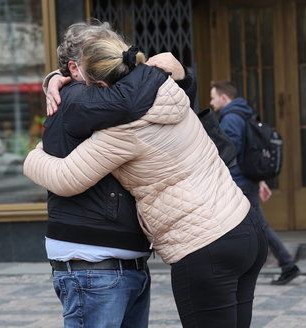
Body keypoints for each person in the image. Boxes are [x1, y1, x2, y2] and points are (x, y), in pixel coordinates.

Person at [24, 28, 268, 328]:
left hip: (205, 245)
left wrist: (34, 155)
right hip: (245, 227)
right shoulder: (169, 88)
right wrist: (56, 77)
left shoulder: (125, 131)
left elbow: (65, 177)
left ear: (98, 84)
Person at [36, 21, 192, 328]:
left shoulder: (101, 95)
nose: (116, 67)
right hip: (93, 264)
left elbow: (169, 108)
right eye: (104, 59)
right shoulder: (78, 99)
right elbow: (132, 100)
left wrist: (182, 76)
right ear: (76, 68)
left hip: (122, 263)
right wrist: (156, 69)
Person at [209, 80, 300, 285]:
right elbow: (249, 153)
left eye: (213, 97)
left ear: (224, 98)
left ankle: (286, 263)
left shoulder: (231, 118)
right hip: (245, 179)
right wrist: (259, 181)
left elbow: (230, 152)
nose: (211, 102)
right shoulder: (243, 113)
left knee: (255, 226)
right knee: (248, 226)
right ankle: (281, 264)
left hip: (238, 181)